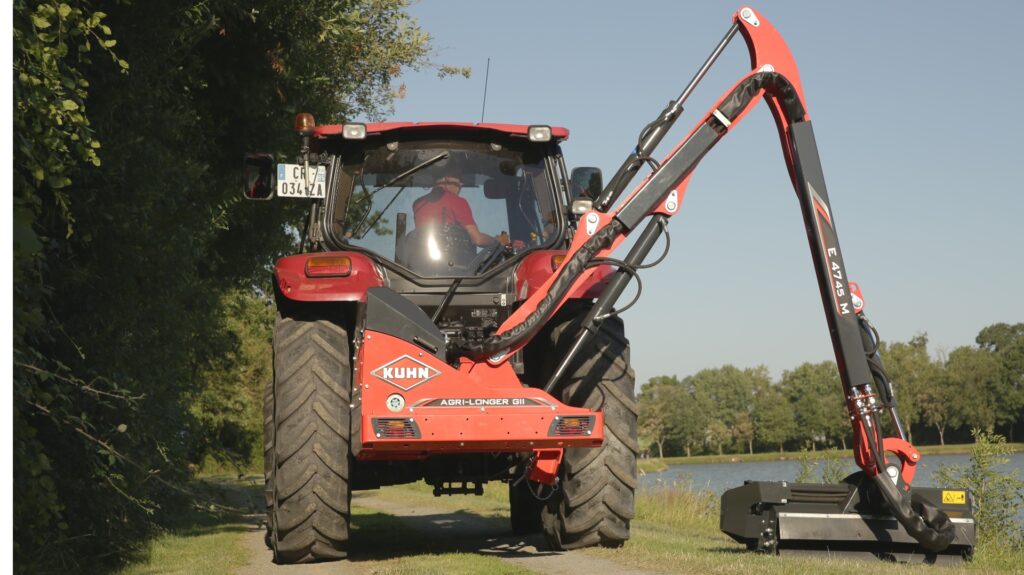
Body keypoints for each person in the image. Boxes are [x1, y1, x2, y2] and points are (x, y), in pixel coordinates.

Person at [413, 172, 505, 247]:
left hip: (421, 262)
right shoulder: (456, 201)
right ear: (446, 179)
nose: (461, 184)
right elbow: (477, 240)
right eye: (459, 180)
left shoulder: (417, 204)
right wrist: (496, 241)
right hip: (451, 262)